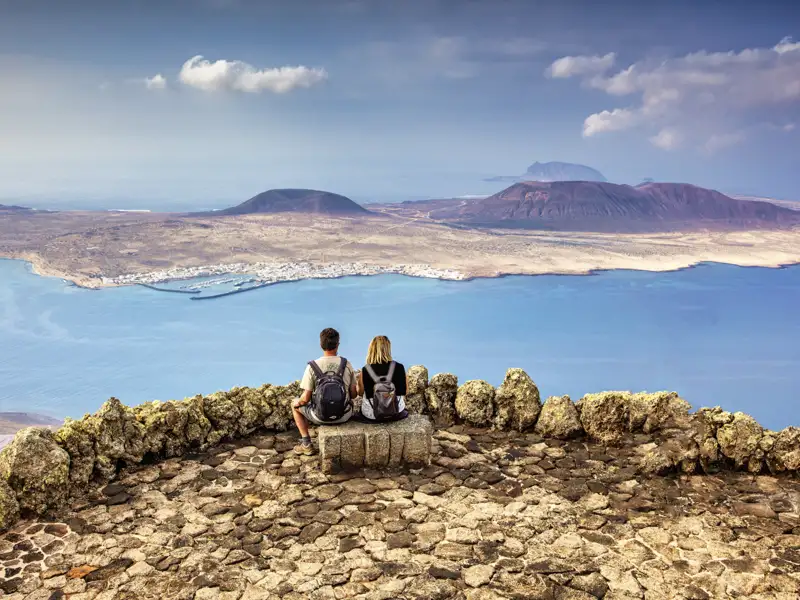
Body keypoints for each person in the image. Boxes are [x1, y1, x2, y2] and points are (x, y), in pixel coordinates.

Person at [292, 327, 358, 455]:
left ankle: (306, 444)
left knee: (294, 404)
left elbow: (305, 398)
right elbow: (354, 395)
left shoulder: (312, 366)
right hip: (344, 415)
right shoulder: (346, 364)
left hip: (320, 417)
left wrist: (298, 403)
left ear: (321, 344)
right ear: (337, 344)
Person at [357, 335, 409, 422]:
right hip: (396, 412)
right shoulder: (399, 367)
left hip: (372, 414)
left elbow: (360, 393)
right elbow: (406, 391)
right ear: (388, 349)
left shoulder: (365, 370)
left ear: (371, 349)